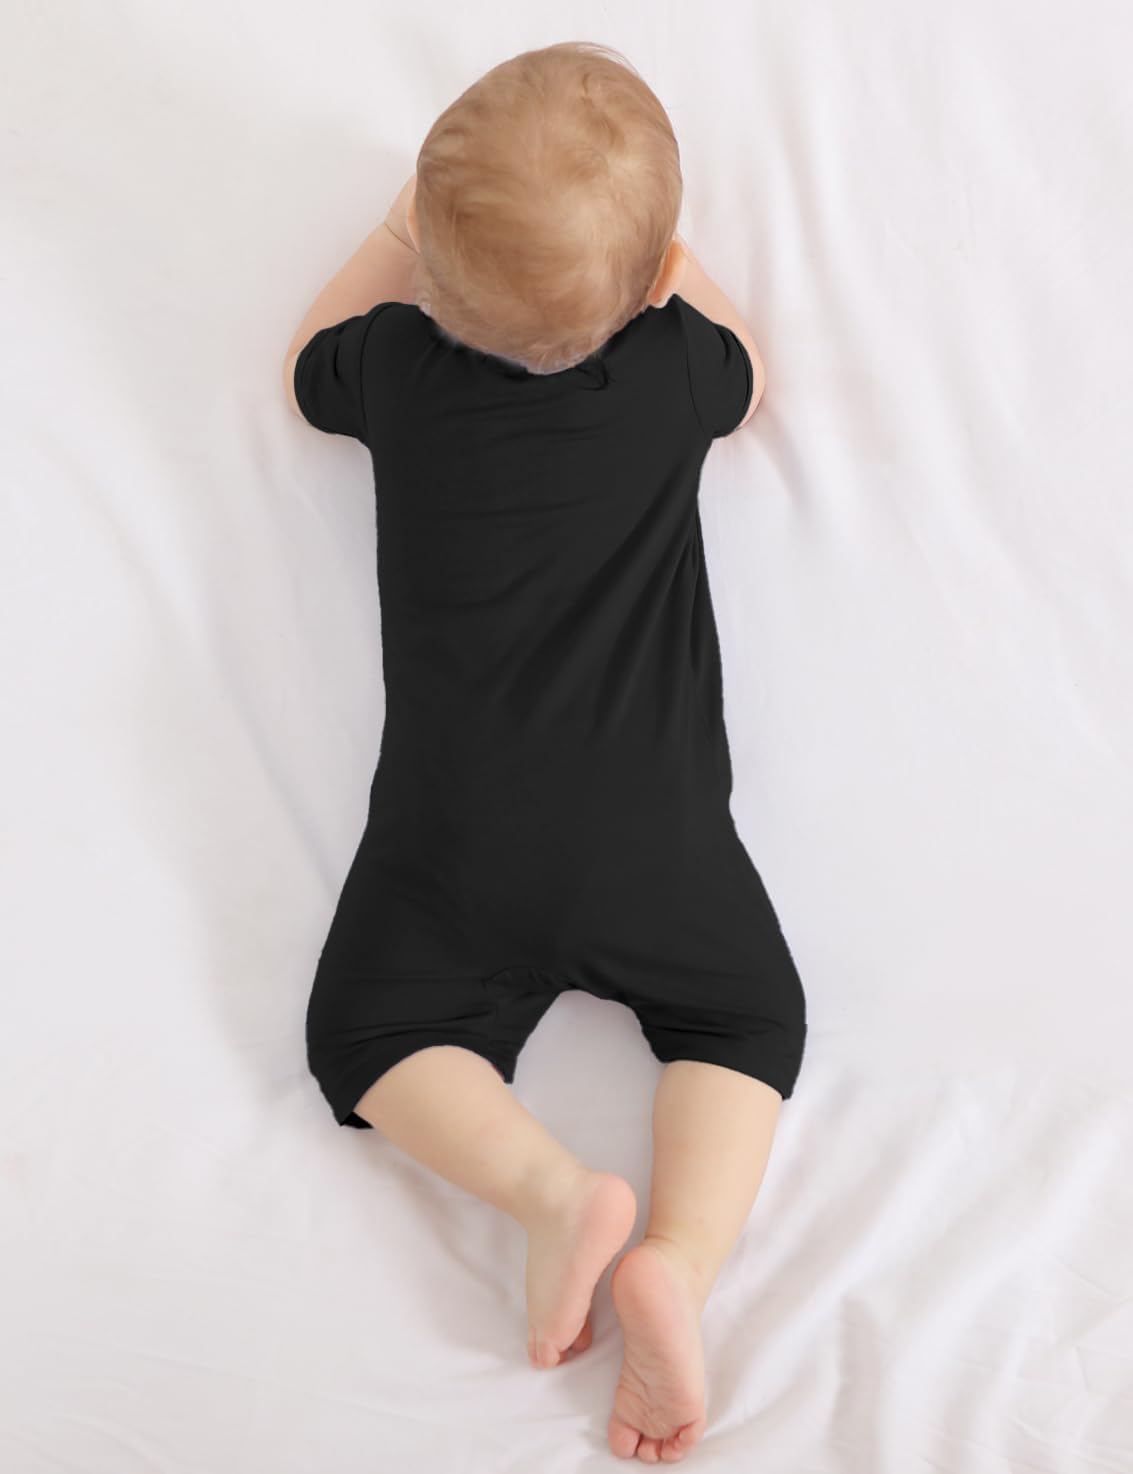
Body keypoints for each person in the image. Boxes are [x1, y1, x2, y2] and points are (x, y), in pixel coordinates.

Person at [282, 40, 807, 1464]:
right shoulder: (673, 374)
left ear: (434, 283)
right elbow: (753, 371)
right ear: (655, 283)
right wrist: (668, 271)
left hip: (457, 841)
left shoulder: (395, 369)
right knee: (747, 1022)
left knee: (364, 1034)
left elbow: (303, 363)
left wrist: (399, 231)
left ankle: (551, 1194)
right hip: (655, 845)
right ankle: (676, 1260)